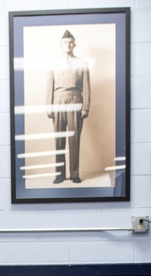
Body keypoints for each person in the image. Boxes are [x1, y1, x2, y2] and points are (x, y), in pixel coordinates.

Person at [46, 29, 90, 184]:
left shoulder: (82, 63)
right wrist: (49, 106)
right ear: (60, 44)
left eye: (71, 42)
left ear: (75, 44)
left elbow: (86, 86)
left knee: (74, 140)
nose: (68, 44)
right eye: (65, 42)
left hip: (76, 100)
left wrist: (85, 107)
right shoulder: (53, 63)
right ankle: (59, 174)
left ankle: (74, 173)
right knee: (59, 140)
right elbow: (49, 86)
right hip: (58, 100)